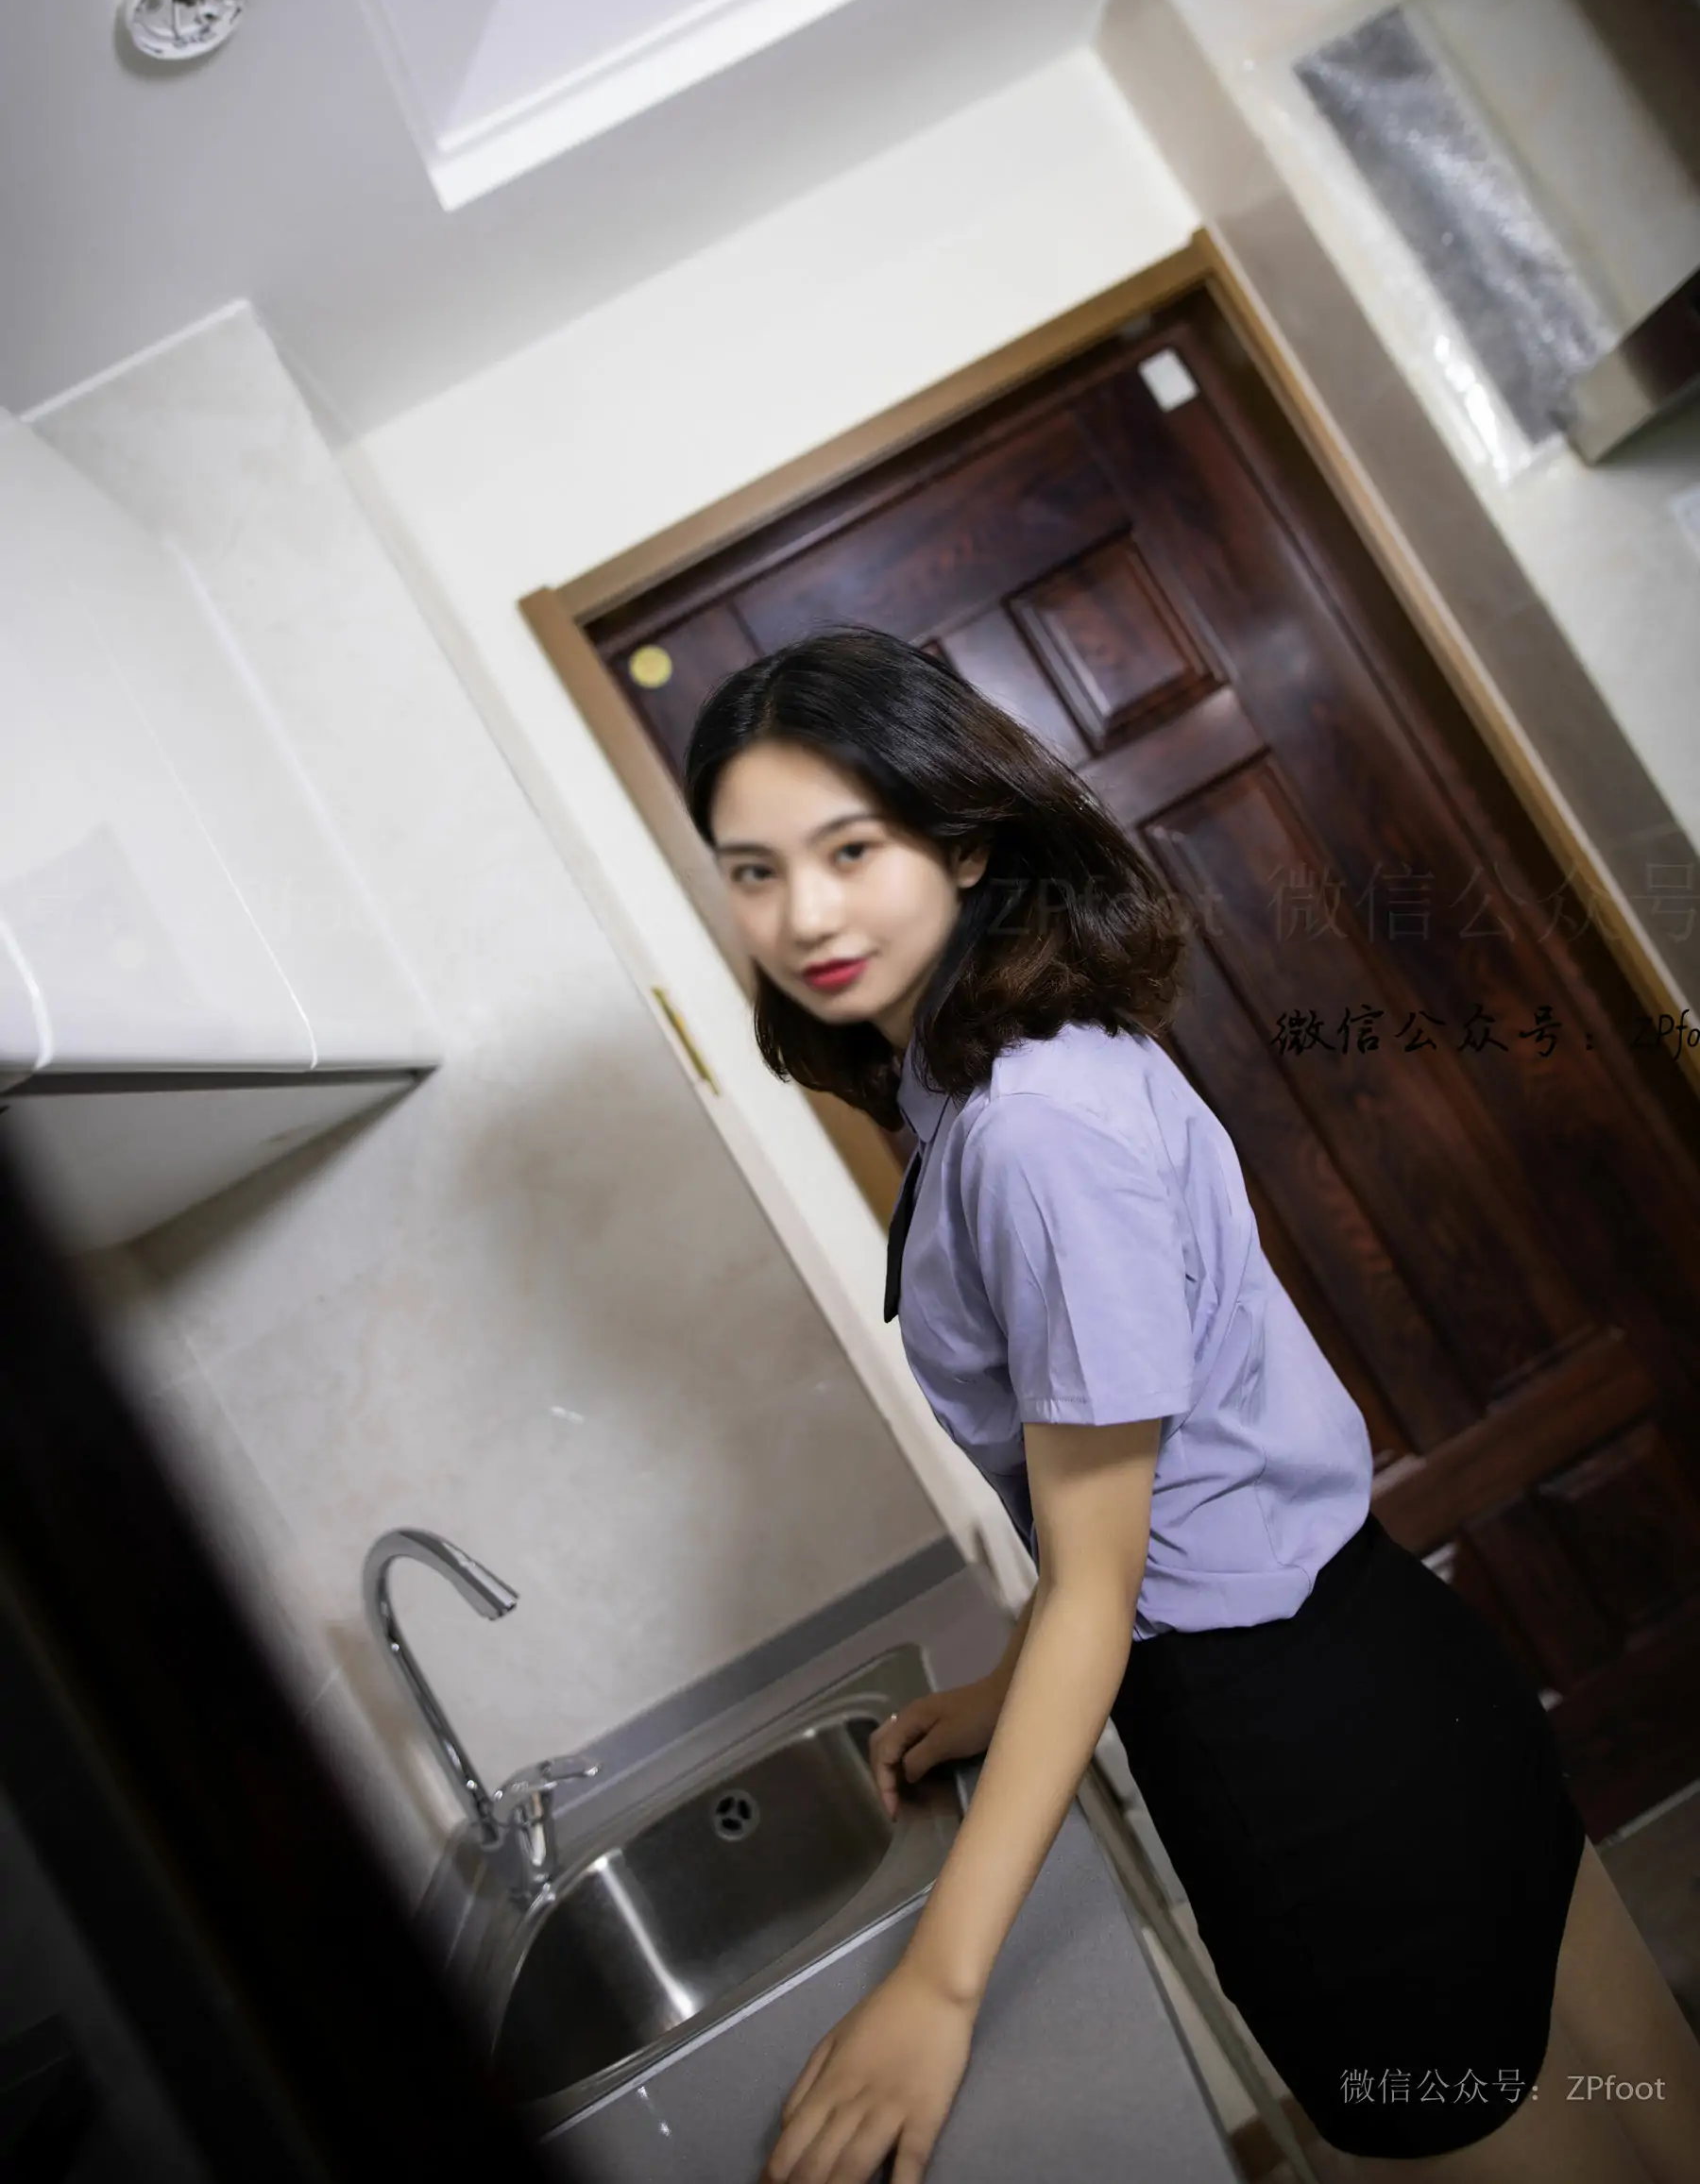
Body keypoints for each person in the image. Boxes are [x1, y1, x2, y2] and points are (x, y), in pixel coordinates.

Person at [684, 623, 1700, 2184]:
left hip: (1296, 1761)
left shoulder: (1027, 1134)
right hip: (1397, 1666)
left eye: (851, 848)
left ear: (963, 841)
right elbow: (1153, 1488)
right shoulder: (1028, 1061)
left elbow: (1104, 1581)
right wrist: (1001, 1691)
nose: (803, 913)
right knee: (1660, 2118)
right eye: (755, 871)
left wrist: (939, 1988)